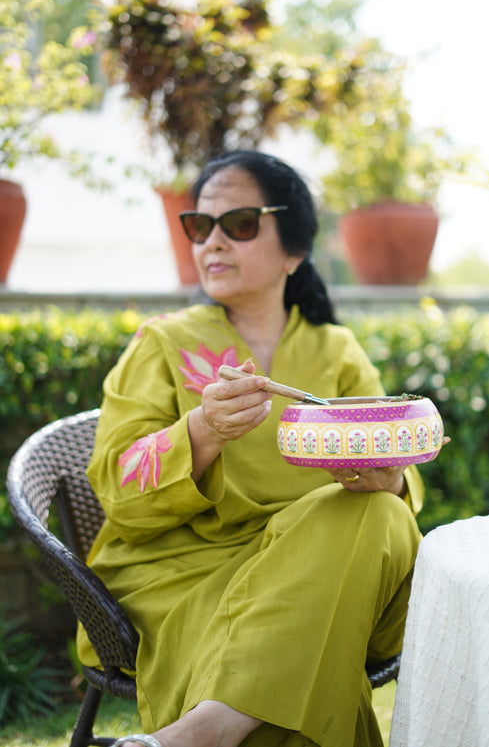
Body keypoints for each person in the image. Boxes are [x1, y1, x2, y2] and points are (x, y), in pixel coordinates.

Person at [76, 149, 424, 747]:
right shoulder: (162, 343)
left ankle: (205, 730)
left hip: (323, 568)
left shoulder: (338, 353)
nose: (212, 242)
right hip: (184, 571)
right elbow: (115, 486)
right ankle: (219, 725)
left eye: (238, 225)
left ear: (293, 250)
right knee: (304, 663)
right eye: (199, 225)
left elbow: (401, 486)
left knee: (378, 511)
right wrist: (201, 432)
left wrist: (389, 479)